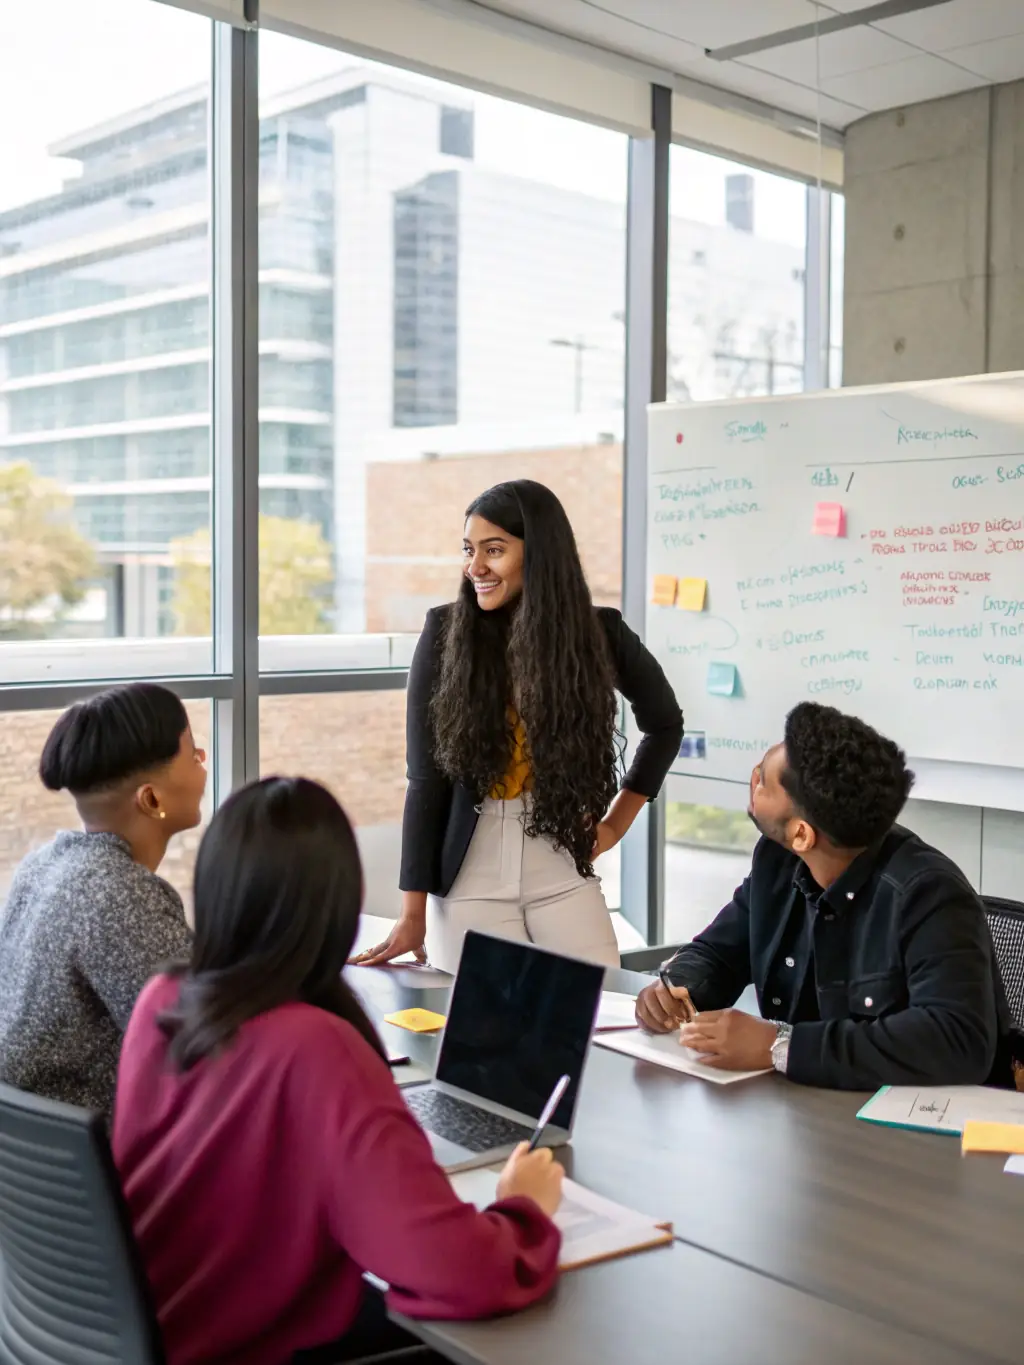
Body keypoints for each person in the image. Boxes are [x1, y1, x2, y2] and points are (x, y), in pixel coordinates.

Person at [113, 777, 563, 1365]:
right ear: (334, 906)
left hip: (153, 1333)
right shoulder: (317, 1047)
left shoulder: (162, 1001)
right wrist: (521, 1207)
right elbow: (461, 1272)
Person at [356, 479, 684, 975]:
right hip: (471, 874)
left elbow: (665, 724)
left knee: (593, 1018)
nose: (475, 568)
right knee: (487, 1037)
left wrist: (616, 824)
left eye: (494, 550)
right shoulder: (445, 635)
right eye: (469, 550)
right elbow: (425, 779)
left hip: (560, 862)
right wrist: (412, 913)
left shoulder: (600, 634)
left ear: (540, 555)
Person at [635, 701, 1016, 1090]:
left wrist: (780, 1047)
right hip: (812, 1110)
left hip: (927, 1128)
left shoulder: (929, 894)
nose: (752, 781)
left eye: (763, 781)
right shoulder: (777, 860)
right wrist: (678, 987)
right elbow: (721, 951)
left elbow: (957, 1042)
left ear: (802, 834)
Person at [0, 683, 203, 1117]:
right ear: (151, 798)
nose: (203, 764)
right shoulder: (123, 896)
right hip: (107, 1166)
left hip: (39, 1166)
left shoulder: (41, 867)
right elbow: (209, 1045)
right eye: (192, 754)